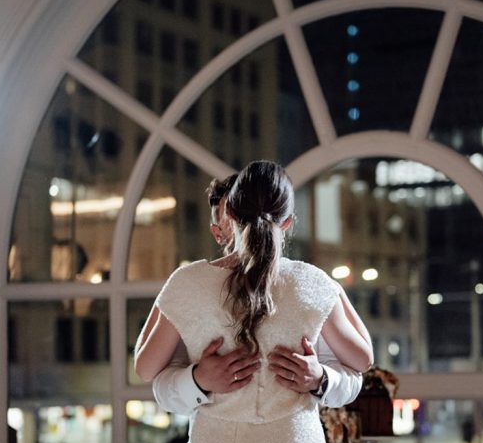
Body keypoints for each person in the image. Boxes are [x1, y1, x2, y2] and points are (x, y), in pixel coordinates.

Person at [135, 160, 373, 443]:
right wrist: (201, 379)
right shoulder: (312, 284)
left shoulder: (188, 284)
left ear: (229, 216)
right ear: (288, 221)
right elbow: (362, 360)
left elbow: (146, 367)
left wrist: (319, 379)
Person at [149, 174, 368, 418]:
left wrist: (321, 379)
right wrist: (197, 380)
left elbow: (355, 373)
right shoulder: (193, 289)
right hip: (216, 438)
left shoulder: (311, 287)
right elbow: (158, 381)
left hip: (294, 436)